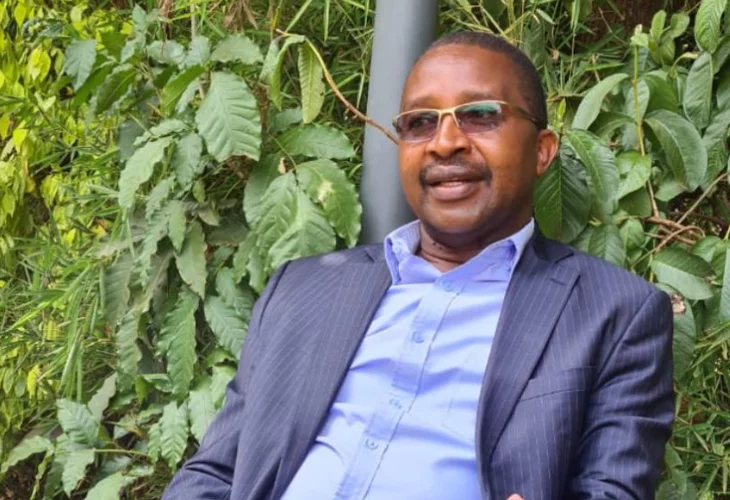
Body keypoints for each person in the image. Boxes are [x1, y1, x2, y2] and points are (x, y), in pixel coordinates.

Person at [163, 31, 674, 500]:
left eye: (480, 115)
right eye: (420, 123)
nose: (445, 141)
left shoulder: (614, 313)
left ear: (541, 152)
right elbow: (214, 474)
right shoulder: (302, 289)